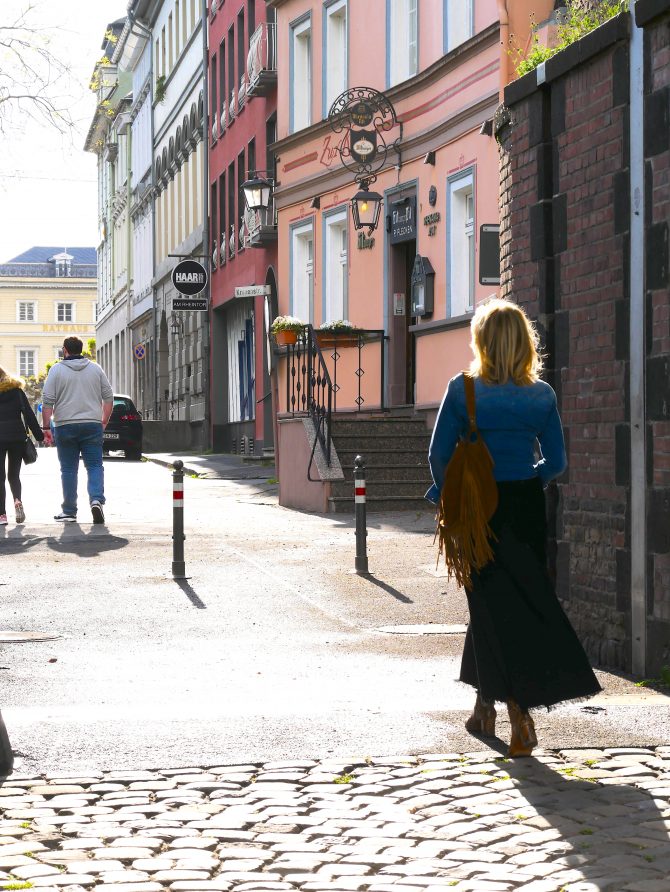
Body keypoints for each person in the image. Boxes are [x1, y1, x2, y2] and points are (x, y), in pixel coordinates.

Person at [427, 297, 601, 757]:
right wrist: (531, 478)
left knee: (489, 607)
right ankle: (484, 707)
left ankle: (519, 715)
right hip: (525, 507)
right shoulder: (541, 395)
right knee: (516, 602)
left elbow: (437, 456)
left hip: (478, 513)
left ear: (481, 341)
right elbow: (558, 462)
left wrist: (456, 497)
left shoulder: (464, 390)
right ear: (526, 344)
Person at [41, 336, 114, 524]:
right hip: (92, 424)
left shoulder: (56, 370)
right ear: (80, 350)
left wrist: (46, 427)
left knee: (68, 469)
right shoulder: (95, 369)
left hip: (65, 425)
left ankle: (69, 511)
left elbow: (47, 401)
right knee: (95, 466)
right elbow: (108, 397)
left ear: (65, 350)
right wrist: (104, 420)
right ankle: (96, 500)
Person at [0, 367, 44, 525]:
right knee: (14, 475)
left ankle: (2, 515)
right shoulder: (17, 392)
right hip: (17, 437)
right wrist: (39, 435)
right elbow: (29, 414)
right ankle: (17, 501)